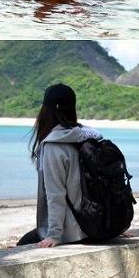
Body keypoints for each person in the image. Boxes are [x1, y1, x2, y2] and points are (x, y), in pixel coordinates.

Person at [17, 83, 103, 248]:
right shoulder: (91, 137)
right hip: (99, 224)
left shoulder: (53, 145)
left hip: (78, 230)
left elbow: (56, 195)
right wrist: (114, 226)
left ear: (46, 110)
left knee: (22, 245)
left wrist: (54, 235)